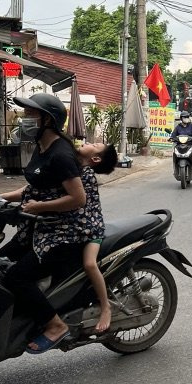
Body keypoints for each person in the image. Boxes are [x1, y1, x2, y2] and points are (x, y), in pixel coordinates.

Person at [0, 92, 90, 355]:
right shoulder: (42, 148)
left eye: (31, 115)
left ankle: (55, 325)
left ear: (48, 120)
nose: (24, 119)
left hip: (63, 234)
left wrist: (41, 207)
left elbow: (78, 198)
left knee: (15, 277)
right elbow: (34, 188)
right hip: (38, 227)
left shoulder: (61, 154)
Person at [75, 140, 118, 334]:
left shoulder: (88, 175)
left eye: (95, 144)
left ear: (95, 158)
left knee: (90, 264)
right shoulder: (74, 166)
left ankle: (106, 307)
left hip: (92, 229)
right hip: (76, 228)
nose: (88, 142)